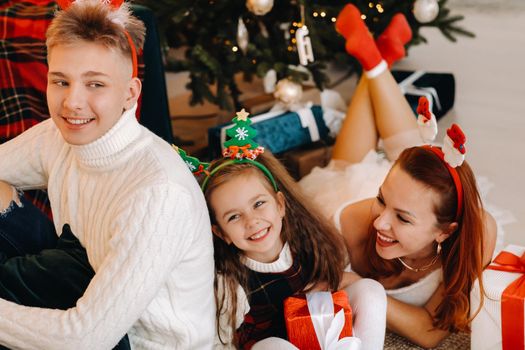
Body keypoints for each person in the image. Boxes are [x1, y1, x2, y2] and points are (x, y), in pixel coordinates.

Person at [0, 1, 214, 349]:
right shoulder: (57, 138)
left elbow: (86, 338)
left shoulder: (157, 192)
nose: (73, 102)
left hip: (134, 341)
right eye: (61, 81)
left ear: (130, 94)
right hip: (85, 289)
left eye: (95, 85)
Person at [299, 4, 497, 348]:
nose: (381, 224)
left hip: (410, 199)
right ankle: (376, 61)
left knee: (377, 162)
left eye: (402, 219)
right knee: (347, 169)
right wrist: (390, 210)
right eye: (382, 200)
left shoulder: (475, 235)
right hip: (350, 197)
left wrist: (361, 287)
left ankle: (374, 61)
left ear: (446, 231)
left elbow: (432, 331)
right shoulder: (351, 225)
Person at [187, 110, 387, 350]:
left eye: (259, 204)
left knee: (371, 290)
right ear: (221, 233)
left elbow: (338, 278)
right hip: (271, 345)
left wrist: (338, 286)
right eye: (234, 216)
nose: (252, 221)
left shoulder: (304, 239)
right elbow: (224, 340)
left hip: (319, 330)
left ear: (280, 205)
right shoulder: (230, 281)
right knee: (273, 346)